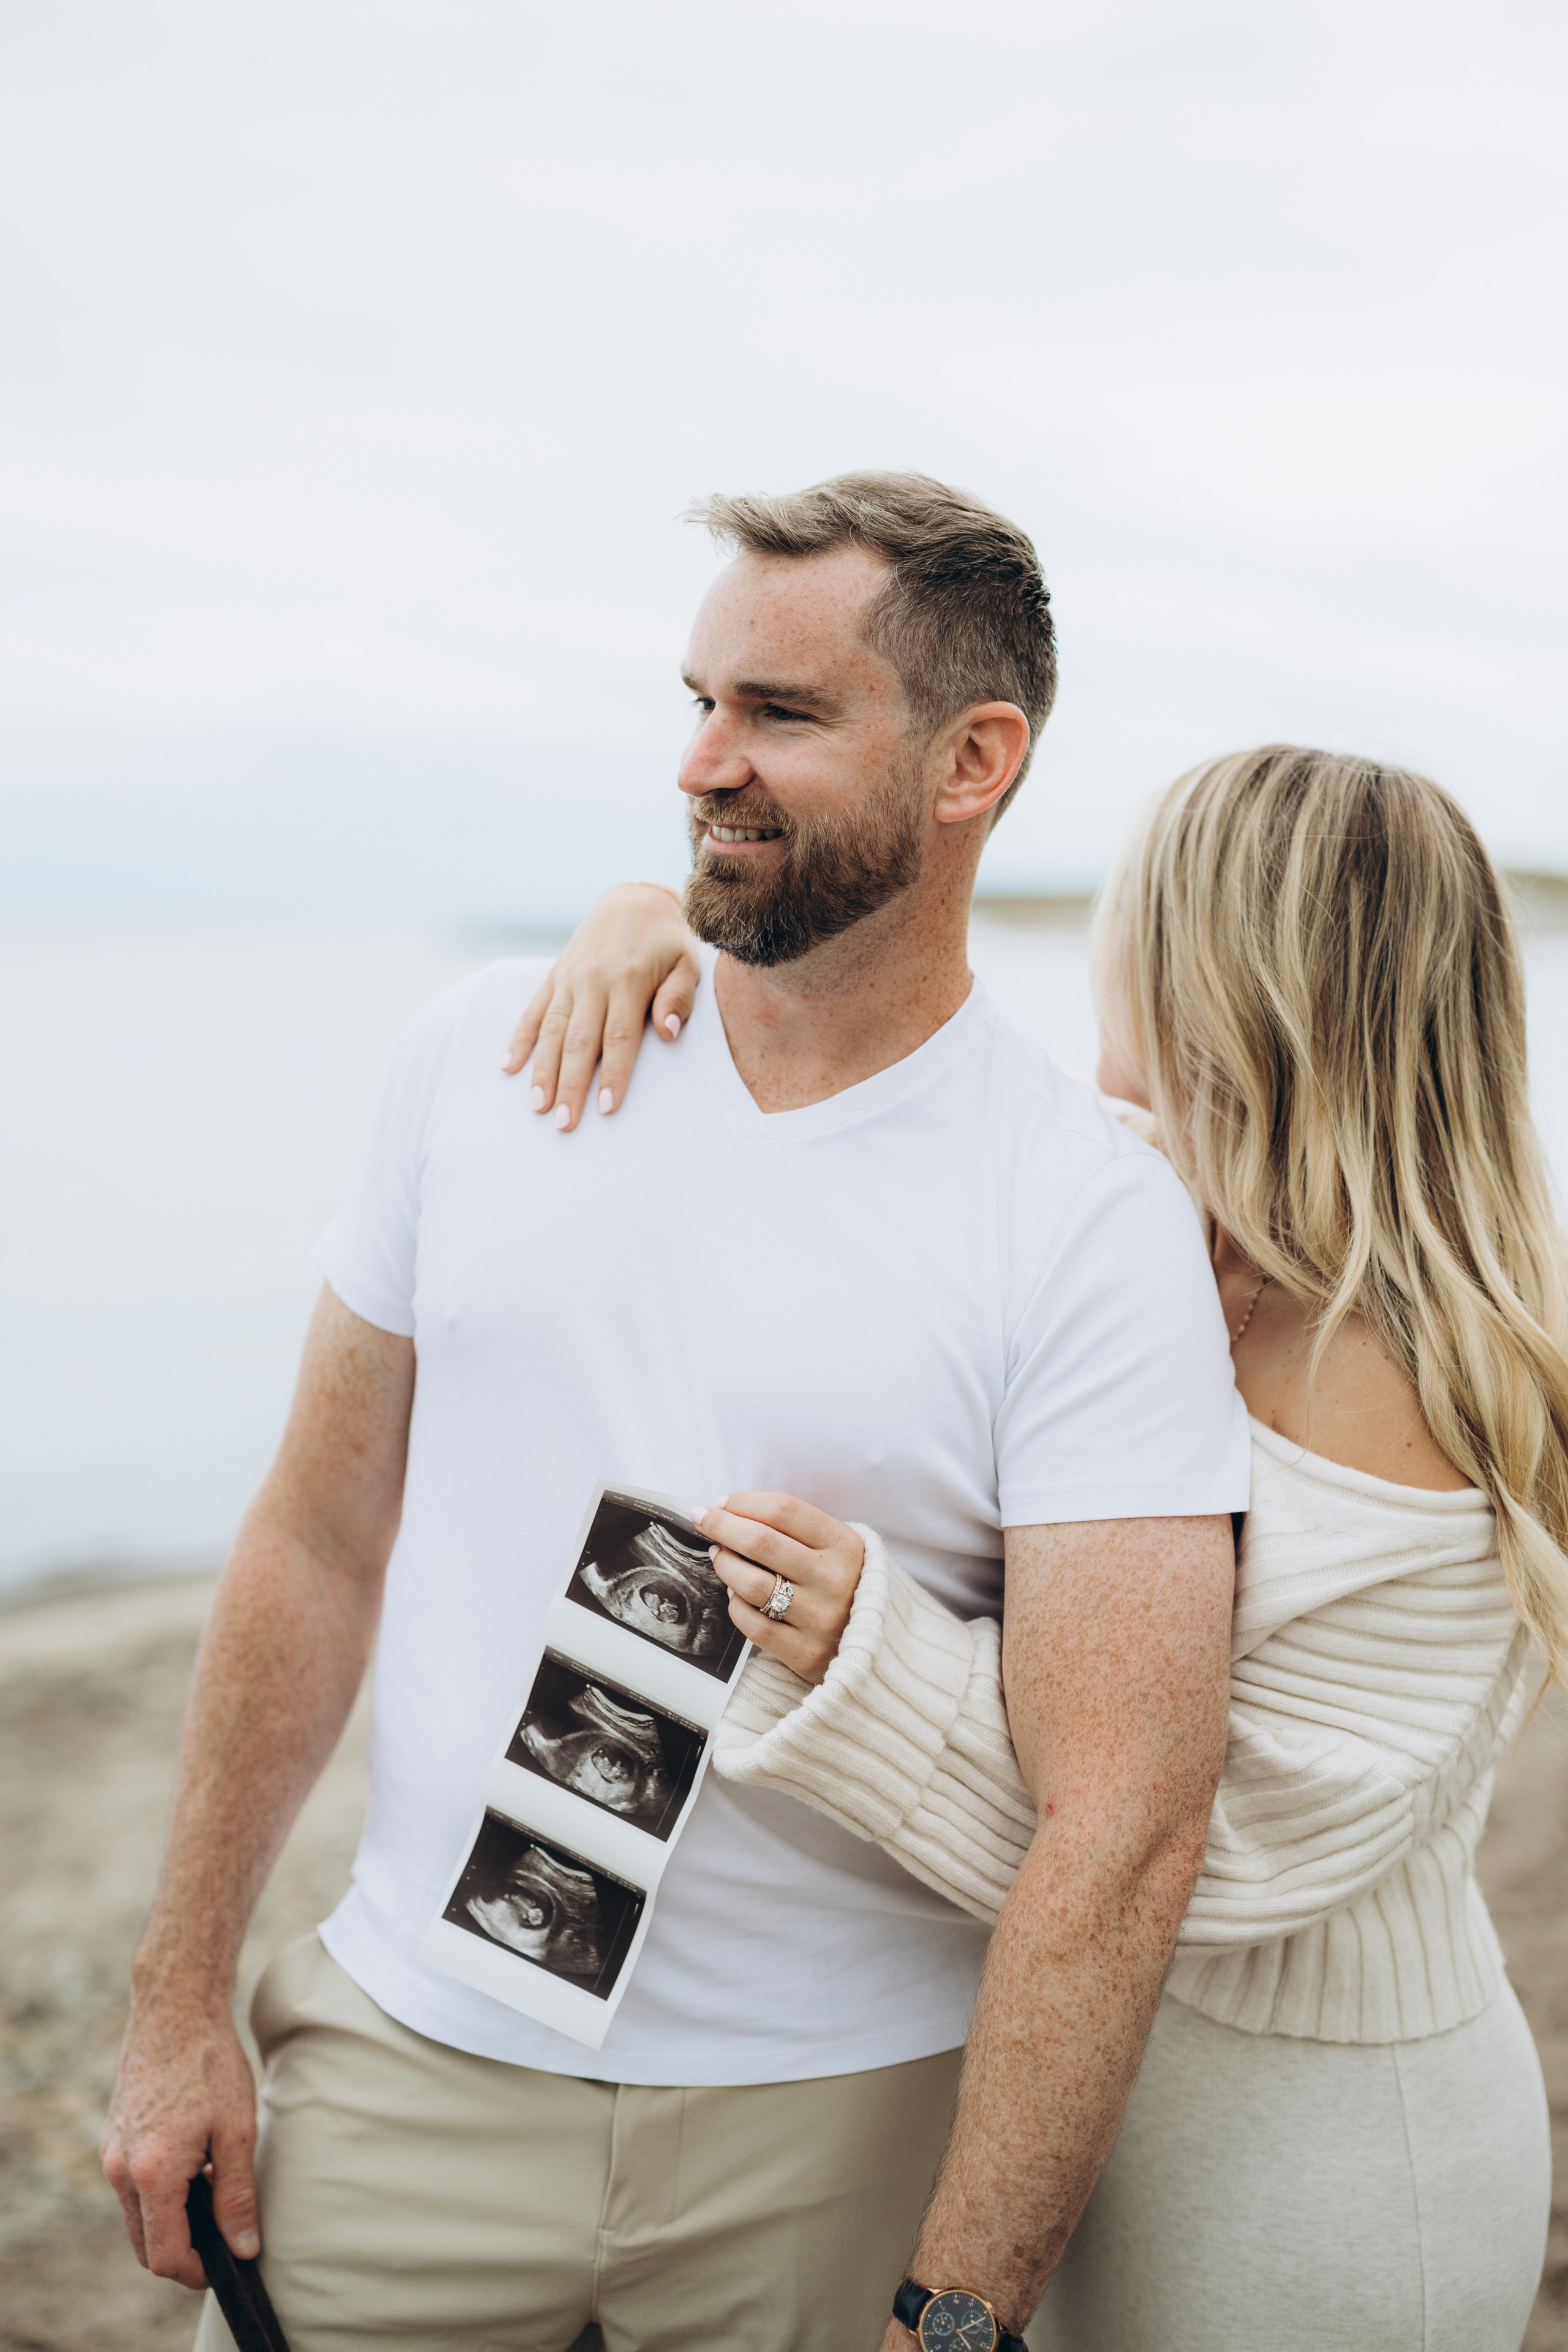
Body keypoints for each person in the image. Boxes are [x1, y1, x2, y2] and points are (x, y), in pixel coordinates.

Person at [99, 472, 1251, 2352]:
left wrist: (961, 2307)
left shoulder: (1084, 1212)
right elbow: (314, 1539)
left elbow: (1125, 1818)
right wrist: (175, 2002)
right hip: (410, 2063)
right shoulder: (481, 1060)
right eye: (701, 700)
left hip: (839, 2113)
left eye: (780, 712)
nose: (704, 762)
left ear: (972, 762)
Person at [518, 744, 1558, 2349]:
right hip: (1076, 2077)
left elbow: (1208, 1844)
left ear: (1217, 980)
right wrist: (657, 928)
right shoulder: (1149, 1207)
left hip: (1317, 2154)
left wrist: (873, 1662)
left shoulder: (1422, 1373)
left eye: (1130, 916)